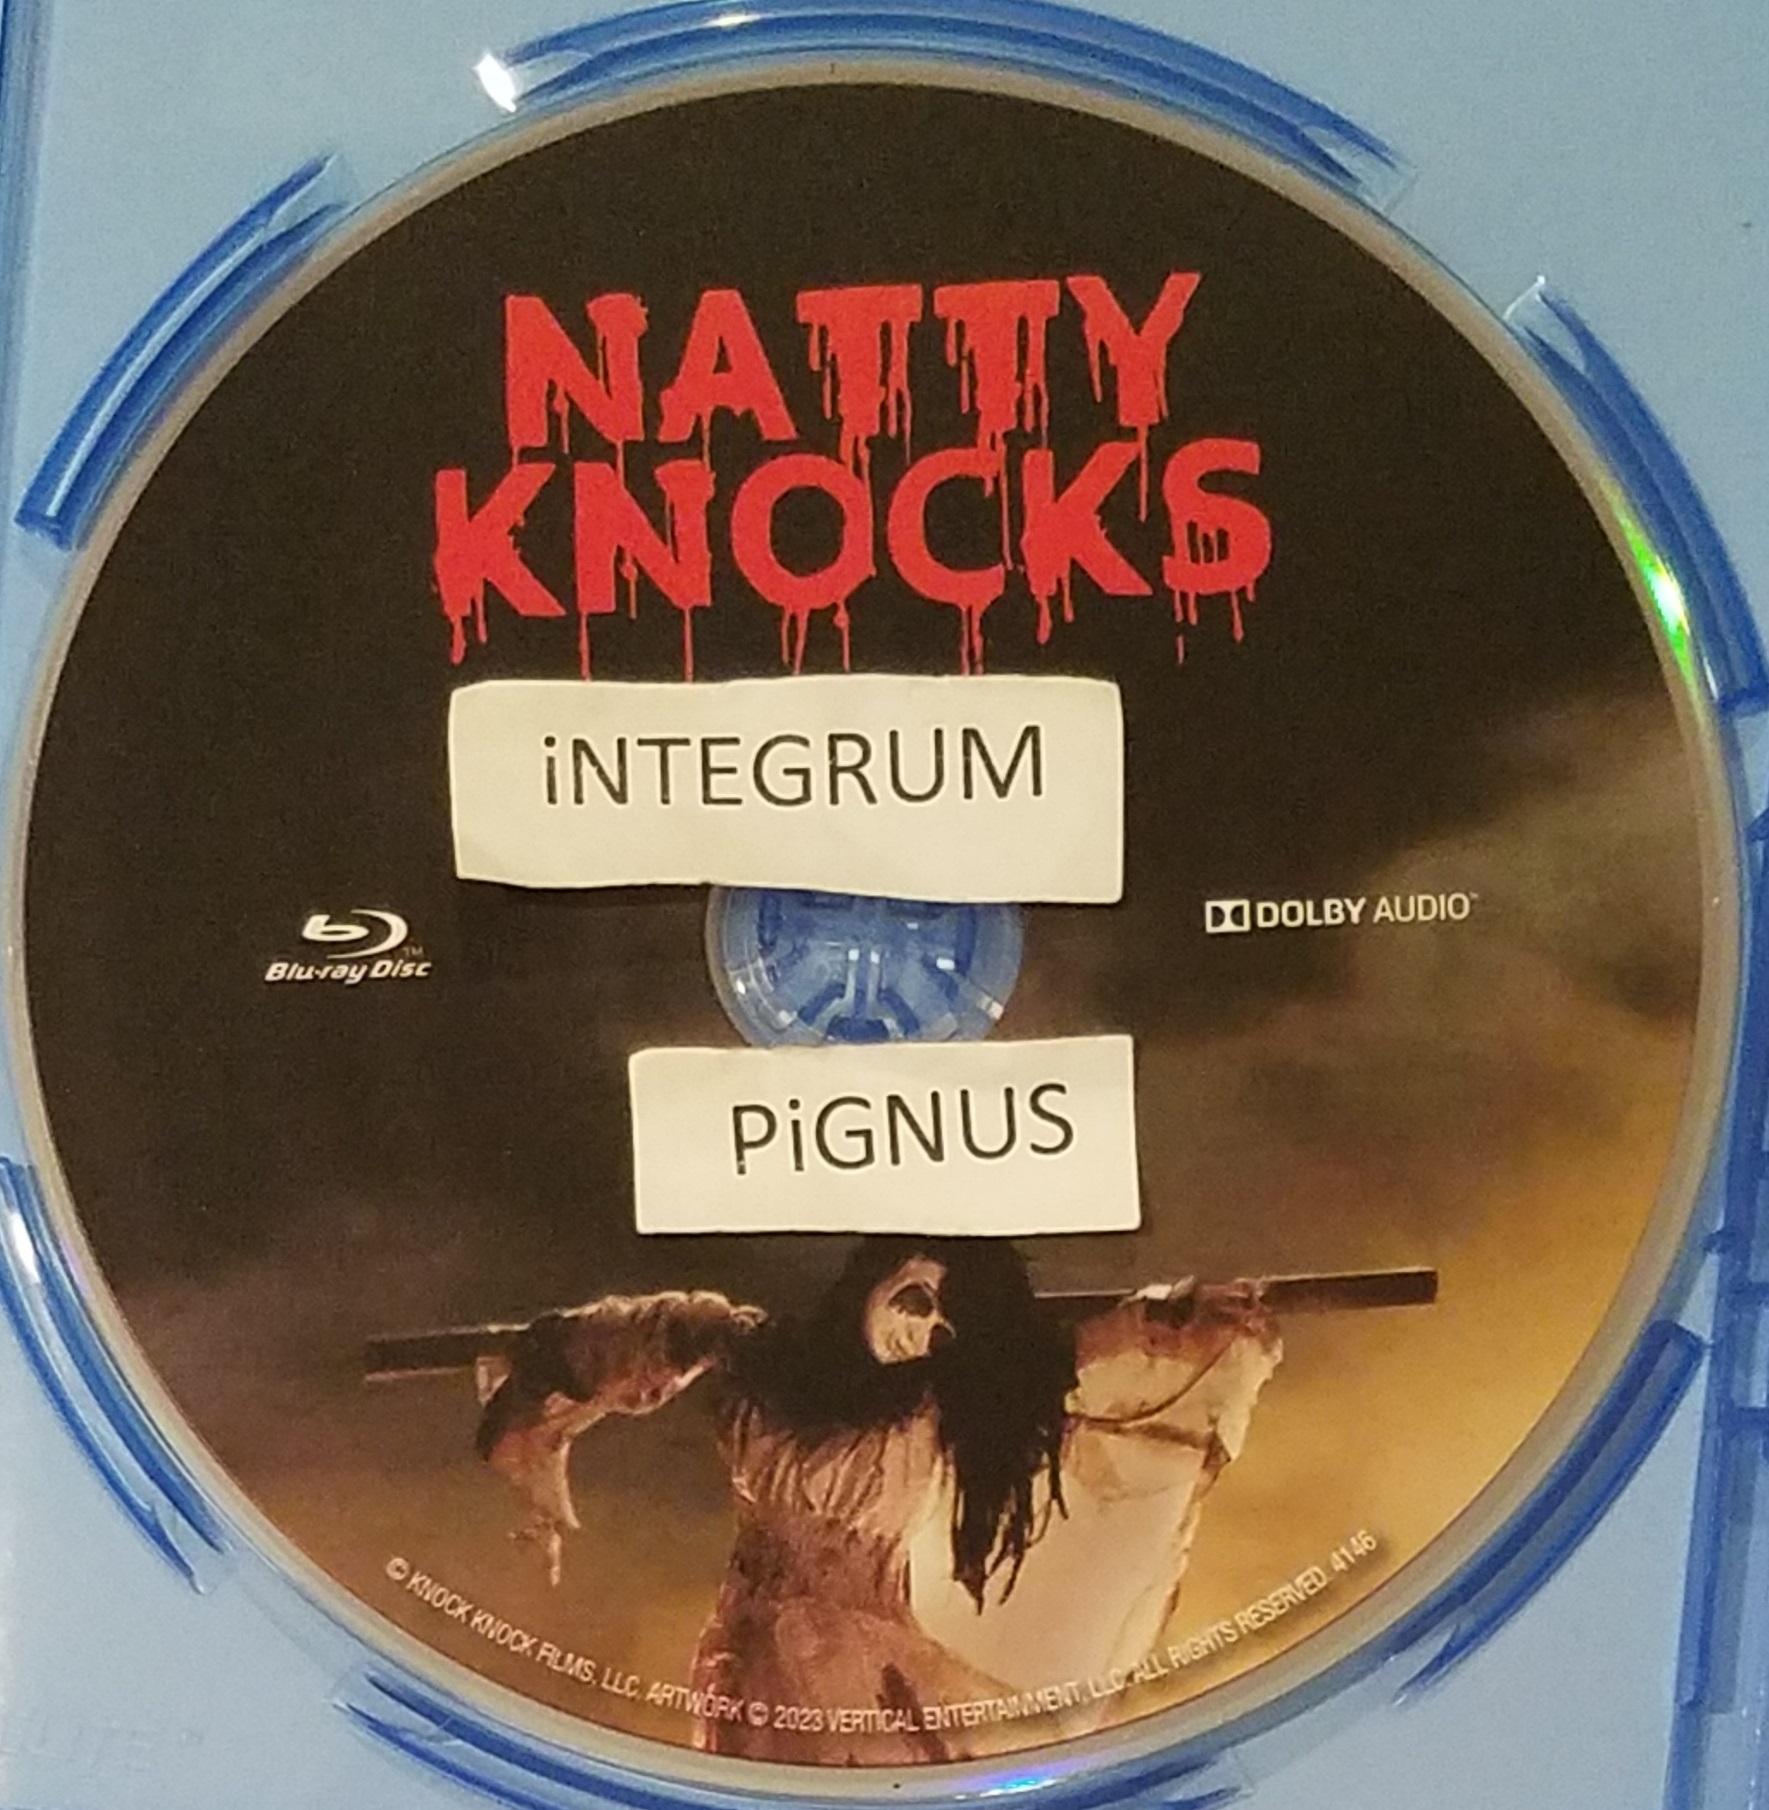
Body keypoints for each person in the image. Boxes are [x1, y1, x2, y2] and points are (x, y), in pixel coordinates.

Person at [475, 1237, 1279, 1763]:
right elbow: (619, 1336)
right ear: (874, 1277)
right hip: (758, 1657)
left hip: (869, 1665)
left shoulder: (936, 1396)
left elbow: (1076, 1350)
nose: (918, 1332)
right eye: (912, 1300)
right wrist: (535, 1436)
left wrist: (1172, 1317)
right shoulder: (753, 1352)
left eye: (942, 1327)